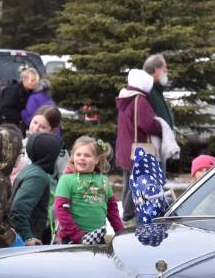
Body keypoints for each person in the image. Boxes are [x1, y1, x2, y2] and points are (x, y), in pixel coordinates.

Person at [54, 137, 124, 244]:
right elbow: (61, 210)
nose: (82, 158)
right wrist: (77, 236)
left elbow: (112, 210)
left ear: (97, 160)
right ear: (73, 157)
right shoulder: (66, 180)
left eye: (87, 155)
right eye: (78, 154)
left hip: (98, 237)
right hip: (73, 239)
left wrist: (120, 233)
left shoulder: (104, 180)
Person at [116, 68, 163, 221]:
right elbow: (147, 124)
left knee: (128, 181)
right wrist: (160, 127)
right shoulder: (140, 100)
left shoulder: (125, 98)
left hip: (124, 148)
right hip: (138, 149)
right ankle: (129, 214)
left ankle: (126, 211)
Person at [10, 132, 63, 245]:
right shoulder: (37, 177)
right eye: (58, 155)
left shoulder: (31, 169)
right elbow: (18, 210)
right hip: (31, 239)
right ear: (49, 156)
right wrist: (28, 237)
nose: (59, 159)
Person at [0, 65, 39, 130]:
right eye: (32, 80)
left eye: (36, 81)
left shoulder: (30, 92)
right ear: (24, 79)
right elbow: (4, 108)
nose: (35, 83)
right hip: (6, 125)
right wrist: (21, 117)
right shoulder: (14, 90)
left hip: (19, 126)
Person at [143, 54, 175, 129]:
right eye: (165, 67)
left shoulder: (156, 89)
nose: (166, 70)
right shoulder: (148, 90)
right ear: (156, 69)